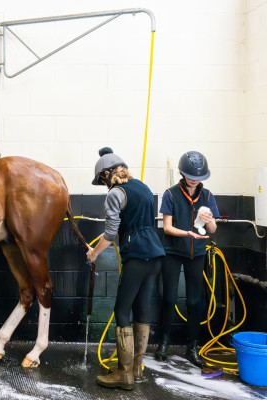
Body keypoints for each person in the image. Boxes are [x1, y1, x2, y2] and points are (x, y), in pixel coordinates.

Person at [87, 147, 165, 390]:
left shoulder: (115, 194)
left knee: (122, 310)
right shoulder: (142, 186)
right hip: (155, 255)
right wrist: (108, 237)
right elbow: (133, 224)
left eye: (102, 182)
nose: (104, 186)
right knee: (142, 308)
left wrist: (94, 254)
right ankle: (136, 369)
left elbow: (112, 232)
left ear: (106, 176)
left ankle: (124, 374)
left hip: (137, 257)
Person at [154, 151, 219, 368]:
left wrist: (209, 221)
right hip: (173, 252)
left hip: (197, 253)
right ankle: (163, 343)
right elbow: (167, 227)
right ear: (182, 173)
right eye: (190, 175)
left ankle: (193, 347)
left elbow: (213, 228)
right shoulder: (170, 194)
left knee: (194, 301)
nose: (194, 179)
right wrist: (187, 233)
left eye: (198, 177)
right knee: (169, 298)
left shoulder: (208, 196)